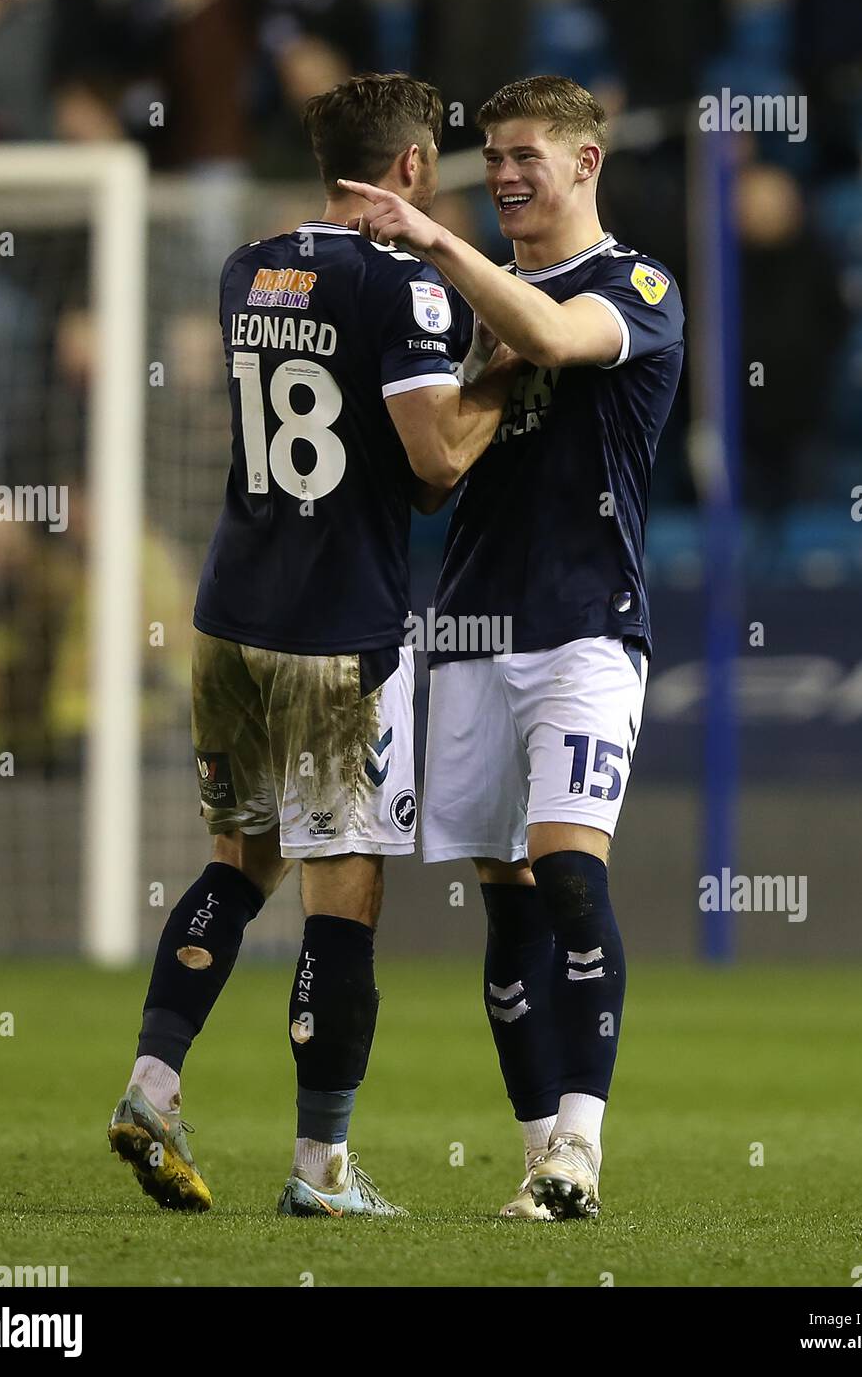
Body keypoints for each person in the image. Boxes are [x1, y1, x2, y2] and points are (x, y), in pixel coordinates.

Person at [108, 72, 521, 1219]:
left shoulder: (251, 266)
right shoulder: (406, 288)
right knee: (343, 892)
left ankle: (152, 1082)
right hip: (337, 633)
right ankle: (320, 1170)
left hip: (229, 616)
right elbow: (437, 466)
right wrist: (506, 370)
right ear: (410, 168)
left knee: (237, 864)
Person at [339, 74, 684, 1220]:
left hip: (589, 629)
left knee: (571, 873)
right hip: (475, 635)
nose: (502, 175)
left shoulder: (632, 285)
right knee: (508, 903)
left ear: (587, 163)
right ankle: (541, 1159)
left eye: (525, 153)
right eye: (489, 155)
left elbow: (553, 332)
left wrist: (429, 239)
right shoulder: (478, 303)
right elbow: (440, 471)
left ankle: (582, 1143)